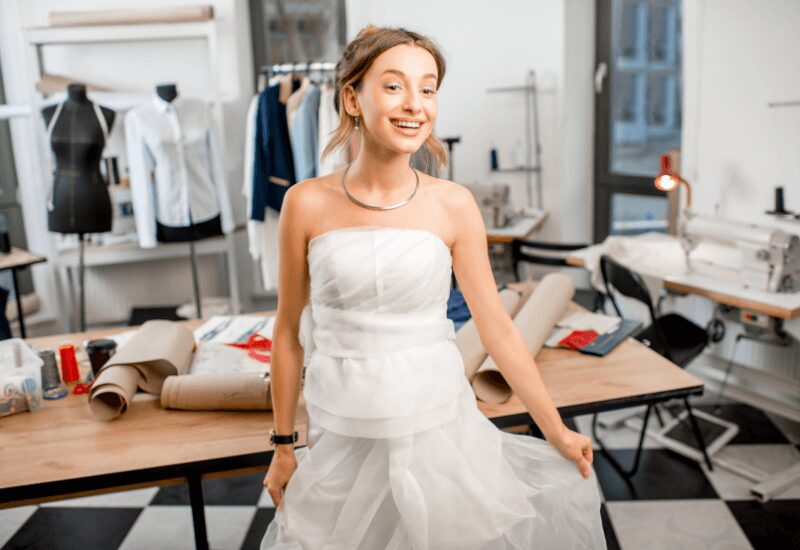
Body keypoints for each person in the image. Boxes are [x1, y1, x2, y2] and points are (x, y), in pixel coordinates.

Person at [261, 25, 607, 549]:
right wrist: (283, 446)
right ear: (352, 97)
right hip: (341, 434)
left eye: (428, 88)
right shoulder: (305, 203)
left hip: (441, 434)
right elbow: (287, 332)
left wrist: (555, 429)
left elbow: (498, 330)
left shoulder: (453, 204)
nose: (415, 104)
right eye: (395, 86)